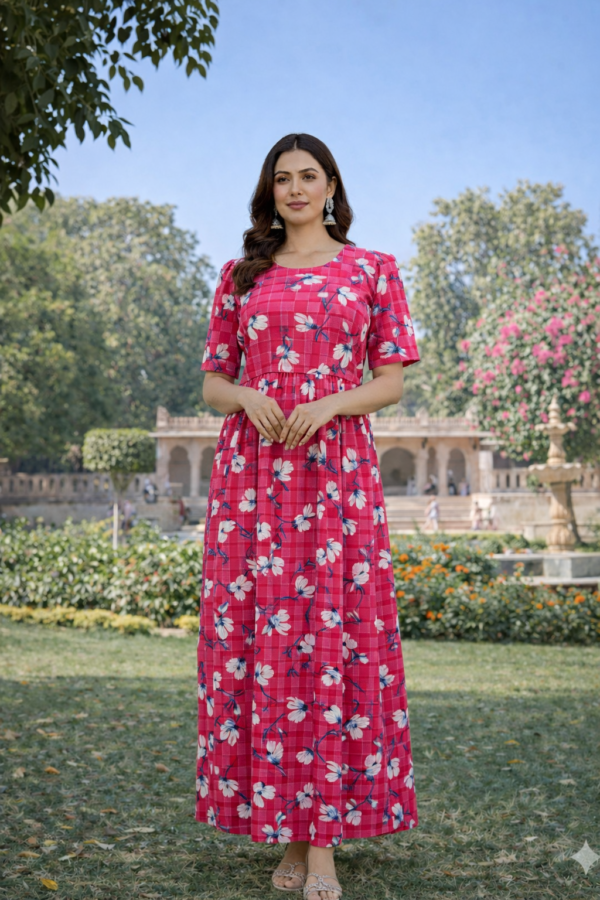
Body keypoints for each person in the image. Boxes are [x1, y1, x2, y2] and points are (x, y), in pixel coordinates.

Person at [197, 134, 420, 900]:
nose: (295, 188)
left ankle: (320, 846)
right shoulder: (241, 274)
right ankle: (288, 827)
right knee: (267, 646)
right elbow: (213, 384)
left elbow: (390, 381)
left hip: (336, 477)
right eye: (282, 178)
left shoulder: (371, 269)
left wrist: (329, 404)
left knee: (330, 645)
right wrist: (247, 395)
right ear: (270, 191)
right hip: (252, 482)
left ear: (331, 186)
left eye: (309, 176)